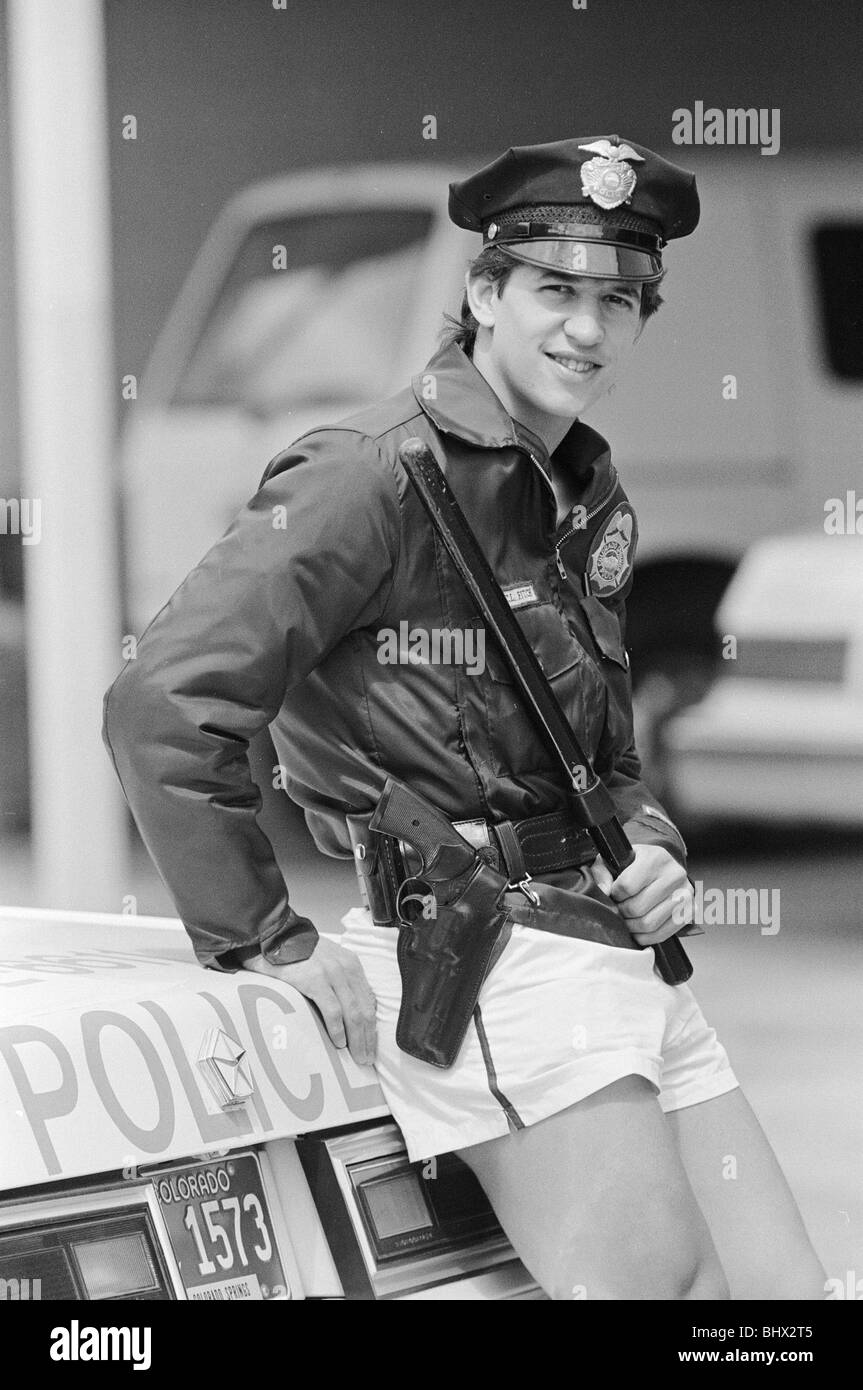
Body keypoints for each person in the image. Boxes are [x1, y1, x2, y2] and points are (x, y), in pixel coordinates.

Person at [103, 134, 825, 1300]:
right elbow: (162, 700)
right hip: (496, 960)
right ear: (485, 294)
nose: (584, 329)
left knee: (784, 1305)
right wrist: (263, 936)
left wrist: (648, 844)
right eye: (553, 291)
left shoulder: (583, 487)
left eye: (616, 301)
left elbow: (600, 751)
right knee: (663, 1295)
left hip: (616, 942)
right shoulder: (367, 473)